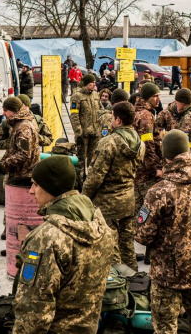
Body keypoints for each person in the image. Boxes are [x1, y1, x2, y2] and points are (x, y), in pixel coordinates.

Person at [12, 156, 113, 333]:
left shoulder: (45, 239)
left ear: (51, 187)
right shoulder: (100, 223)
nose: (30, 191)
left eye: (36, 184)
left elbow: (34, 309)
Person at [135, 130, 191, 334]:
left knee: (165, 327)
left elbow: (143, 235)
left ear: (167, 156)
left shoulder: (158, 192)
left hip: (167, 275)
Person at [83, 102, 144, 270]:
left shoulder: (108, 143)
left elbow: (95, 177)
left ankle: (117, 284)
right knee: (127, 244)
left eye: (112, 117)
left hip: (107, 204)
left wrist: (84, 197)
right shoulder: (140, 143)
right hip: (128, 199)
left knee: (111, 247)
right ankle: (134, 279)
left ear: (117, 120)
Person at [134, 83, 163, 211]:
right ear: (146, 98)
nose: (158, 99)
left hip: (137, 168)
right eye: (154, 96)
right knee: (147, 208)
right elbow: (147, 145)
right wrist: (154, 169)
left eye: (159, 96)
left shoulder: (138, 111)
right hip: (145, 172)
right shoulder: (146, 116)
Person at [0, 97, 40, 180]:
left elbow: (24, 154)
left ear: (14, 110)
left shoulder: (23, 128)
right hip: (20, 175)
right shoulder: (18, 124)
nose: (3, 113)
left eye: (5, 110)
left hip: (24, 177)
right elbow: (12, 150)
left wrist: (3, 165)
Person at [70, 74, 103, 170]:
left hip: (95, 132)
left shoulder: (96, 95)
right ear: (86, 84)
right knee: (81, 159)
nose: (94, 84)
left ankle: (89, 178)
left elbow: (101, 110)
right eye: (91, 82)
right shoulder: (77, 96)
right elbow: (74, 115)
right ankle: (80, 180)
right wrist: (78, 131)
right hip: (83, 133)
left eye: (94, 82)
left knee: (93, 158)